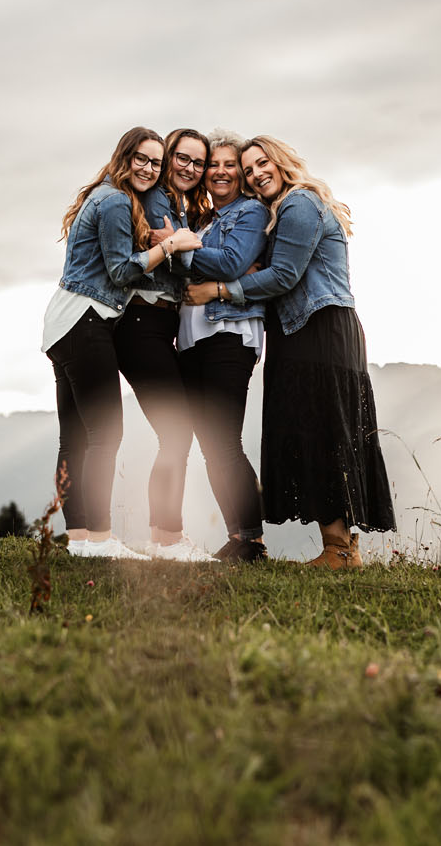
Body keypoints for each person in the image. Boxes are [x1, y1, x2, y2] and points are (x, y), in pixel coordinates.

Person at [186, 135, 395, 567]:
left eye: (261, 163)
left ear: (281, 163)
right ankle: (341, 548)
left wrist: (220, 288)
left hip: (319, 327)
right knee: (320, 431)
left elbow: (283, 275)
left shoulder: (299, 203)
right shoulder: (282, 210)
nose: (255, 173)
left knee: (324, 432)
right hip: (307, 328)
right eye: (248, 171)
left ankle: (339, 548)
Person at [41, 127, 200, 559]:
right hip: (87, 320)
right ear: (124, 157)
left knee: (74, 436)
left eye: (156, 162)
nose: (149, 169)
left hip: (63, 321)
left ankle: (79, 540)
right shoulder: (113, 201)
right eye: (141, 159)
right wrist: (172, 244)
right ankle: (99, 538)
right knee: (105, 434)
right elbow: (120, 272)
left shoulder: (105, 195)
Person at [114, 128, 216, 561]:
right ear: (167, 156)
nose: (190, 169)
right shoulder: (158, 199)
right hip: (141, 321)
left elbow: (180, 252)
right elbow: (173, 252)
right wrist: (182, 244)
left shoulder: (176, 205)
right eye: (182, 158)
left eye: (199, 163)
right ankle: (168, 541)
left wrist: (182, 243)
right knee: (176, 431)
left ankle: (165, 537)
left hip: (154, 325)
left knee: (174, 432)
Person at [175, 129, 270, 563]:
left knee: (225, 441)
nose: (219, 171)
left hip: (229, 336)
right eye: (213, 164)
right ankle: (238, 537)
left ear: (241, 174)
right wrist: (187, 245)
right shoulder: (201, 222)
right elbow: (225, 263)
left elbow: (233, 263)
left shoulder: (249, 212)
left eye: (230, 164)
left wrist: (178, 251)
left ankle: (252, 541)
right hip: (194, 339)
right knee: (210, 442)